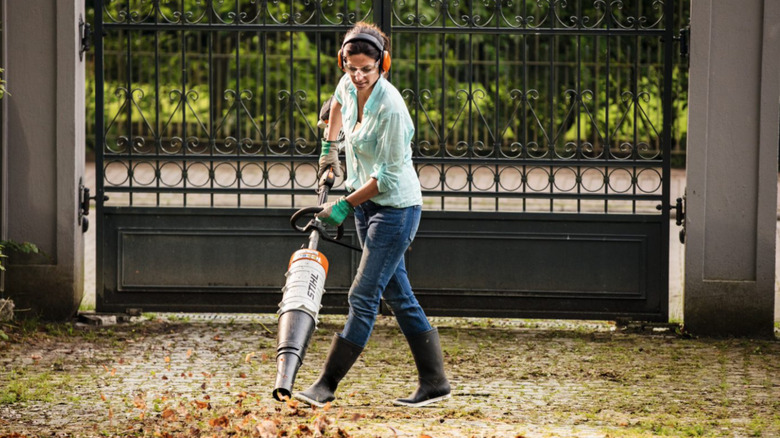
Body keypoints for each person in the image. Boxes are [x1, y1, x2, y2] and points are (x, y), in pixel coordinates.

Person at [295, 22, 451, 408]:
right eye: (352, 67)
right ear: (343, 62)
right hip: (367, 206)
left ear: (383, 63)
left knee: (362, 296)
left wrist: (345, 204)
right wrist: (328, 151)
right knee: (399, 295)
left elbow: (389, 178)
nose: (359, 76)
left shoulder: (392, 108)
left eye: (367, 68)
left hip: (395, 210)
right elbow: (335, 106)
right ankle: (435, 382)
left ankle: (326, 385)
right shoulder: (348, 85)